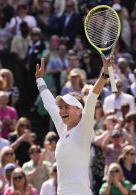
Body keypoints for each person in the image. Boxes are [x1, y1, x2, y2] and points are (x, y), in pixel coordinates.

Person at [35, 56, 114, 194]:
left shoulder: (83, 131)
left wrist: (105, 75)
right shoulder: (63, 130)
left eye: (67, 107)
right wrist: (40, 80)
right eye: (61, 107)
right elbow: (49, 104)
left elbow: (91, 98)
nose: (62, 111)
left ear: (79, 111)